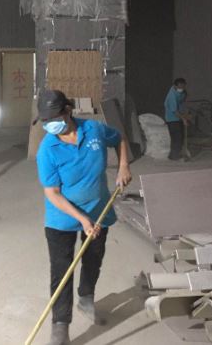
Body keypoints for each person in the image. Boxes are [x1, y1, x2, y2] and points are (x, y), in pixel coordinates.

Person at [35, 90, 132, 345]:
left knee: (93, 259)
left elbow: (119, 138)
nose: (49, 125)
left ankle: (86, 298)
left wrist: (123, 165)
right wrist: (82, 219)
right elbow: (53, 193)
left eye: (53, 118)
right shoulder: (47, 149)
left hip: (98, 210)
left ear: (68, 111)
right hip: (62, 218)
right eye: (45, 121)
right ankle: (60, 325)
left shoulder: (94, 130)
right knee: (62, 271)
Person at [164, 78, 189, 160]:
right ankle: (174, 156)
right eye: (180, 87)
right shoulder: (172, 95)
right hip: (172, 119)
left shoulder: (182, 92)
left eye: (183, 87)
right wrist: (184, 119)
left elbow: (183, 100)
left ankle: (175, 154)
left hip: (179, 118)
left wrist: (185, 113)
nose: (181, 89)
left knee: (180, 137)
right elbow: (174, 111)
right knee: (177, 137)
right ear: (175, 86)